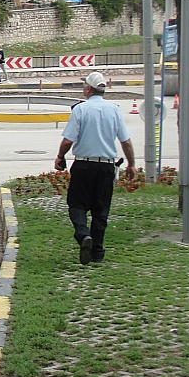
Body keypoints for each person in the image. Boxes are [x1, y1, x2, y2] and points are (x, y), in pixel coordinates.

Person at [55, 72, 135, 265]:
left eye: (84, 86)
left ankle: (83, 235)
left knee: (76, 204)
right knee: (101, 210)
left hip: (83, 165)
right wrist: (131, 164)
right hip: (106, 166)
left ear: (88, 89)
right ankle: (97, 252)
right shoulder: (114, 110)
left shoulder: (81, 110)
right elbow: (126, 141)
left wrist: (60, 157)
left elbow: (68, 140)